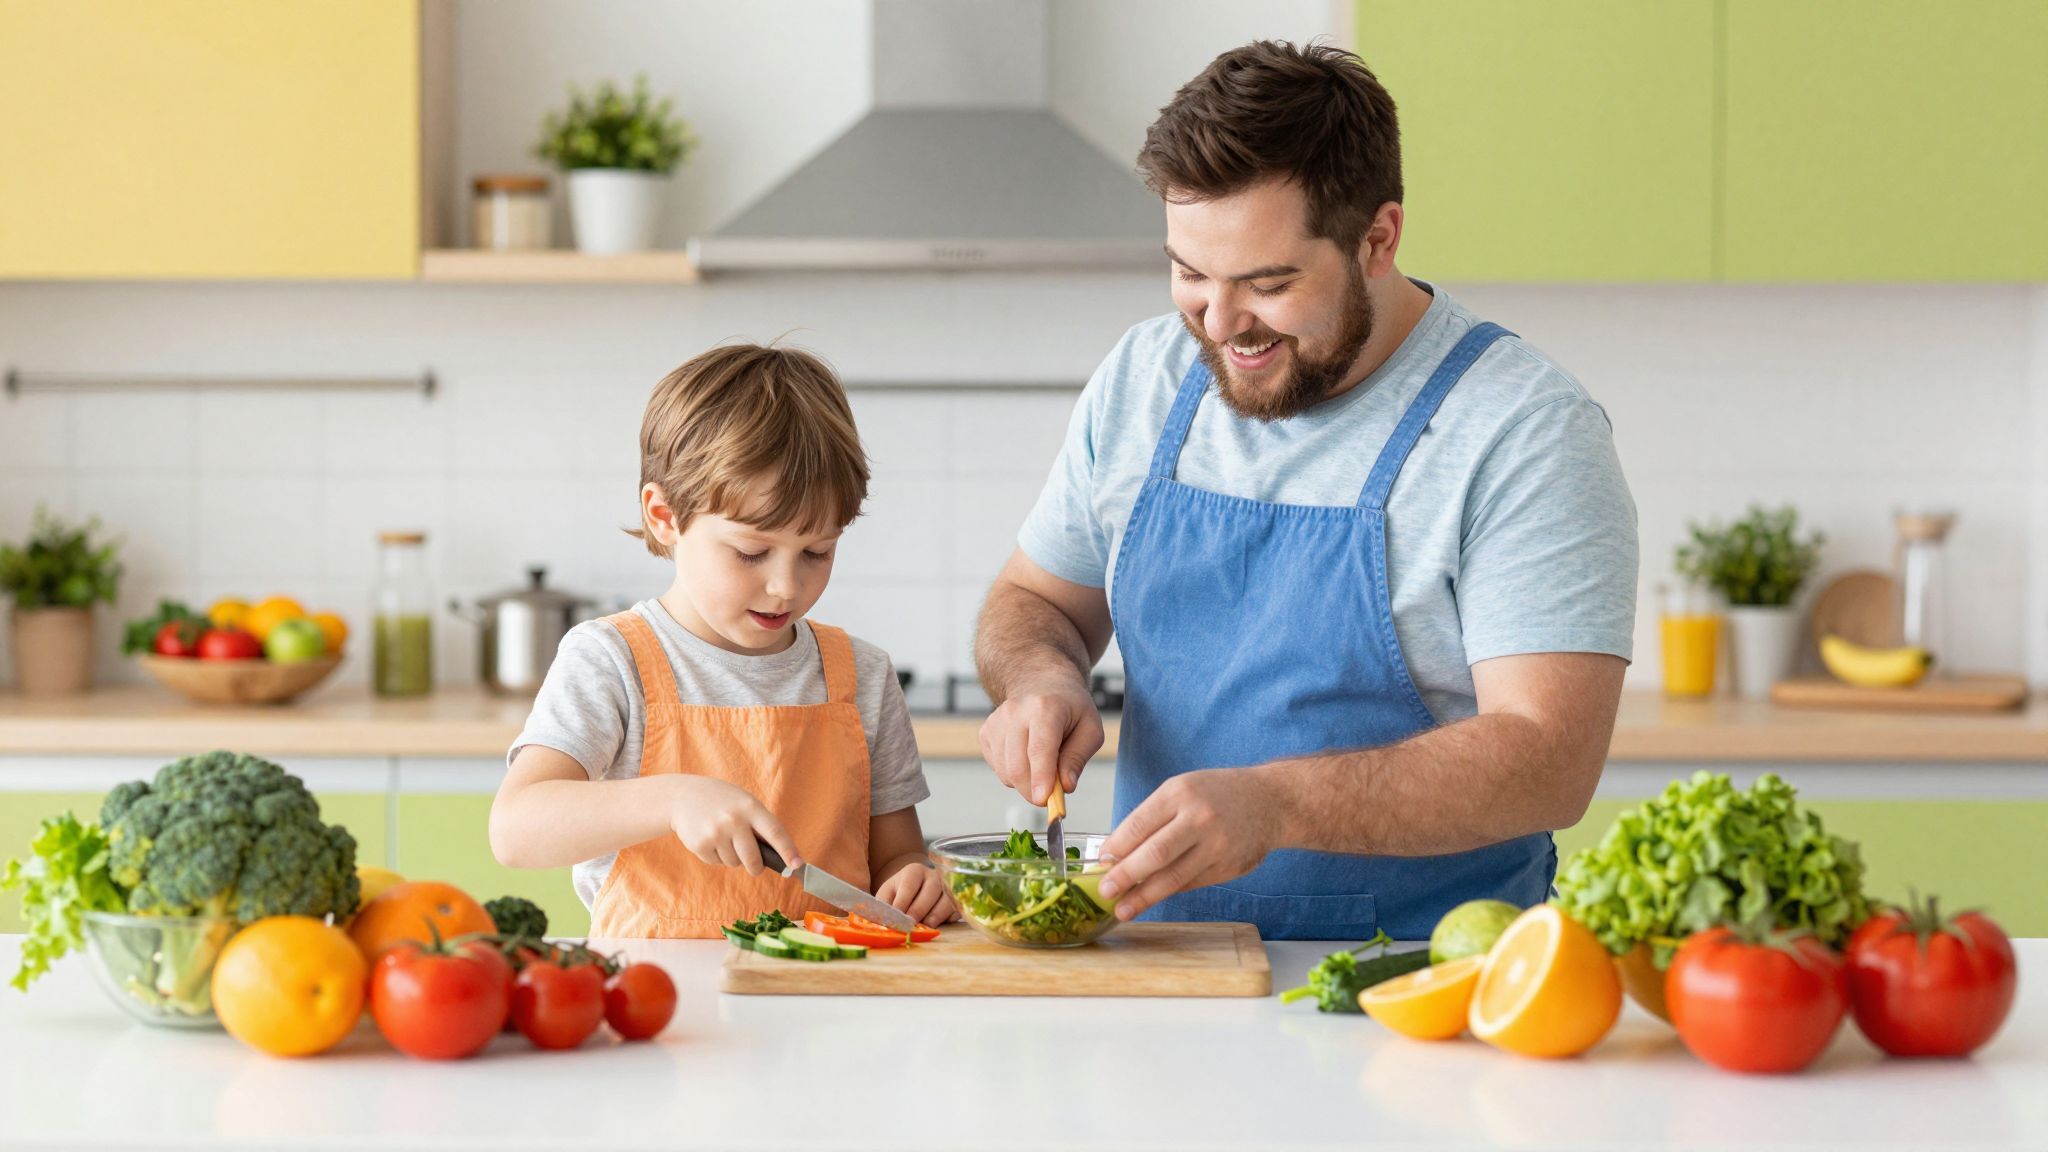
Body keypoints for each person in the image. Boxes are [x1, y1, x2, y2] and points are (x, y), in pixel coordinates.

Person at [974, 42, 1639, 941]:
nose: (1217, 322)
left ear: (1378, 238)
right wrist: (1040, 678)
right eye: (1189, 274)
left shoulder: (1524, 429)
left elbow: (1549, 759)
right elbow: (1034, 599)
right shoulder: (1145, 376)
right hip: (1160, 964)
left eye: (1268, 283)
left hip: (1417, 986)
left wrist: (1277, 805)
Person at [491, 344, 955, 936]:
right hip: (659, 999)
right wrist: (672, 799)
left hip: (833, 1001)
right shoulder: (612, 660)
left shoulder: (862, 675)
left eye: (817, 552)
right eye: (750, 552)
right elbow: (515, 828)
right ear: (664, 517)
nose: (786, 586)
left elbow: (897, 856)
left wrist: (918, 878)